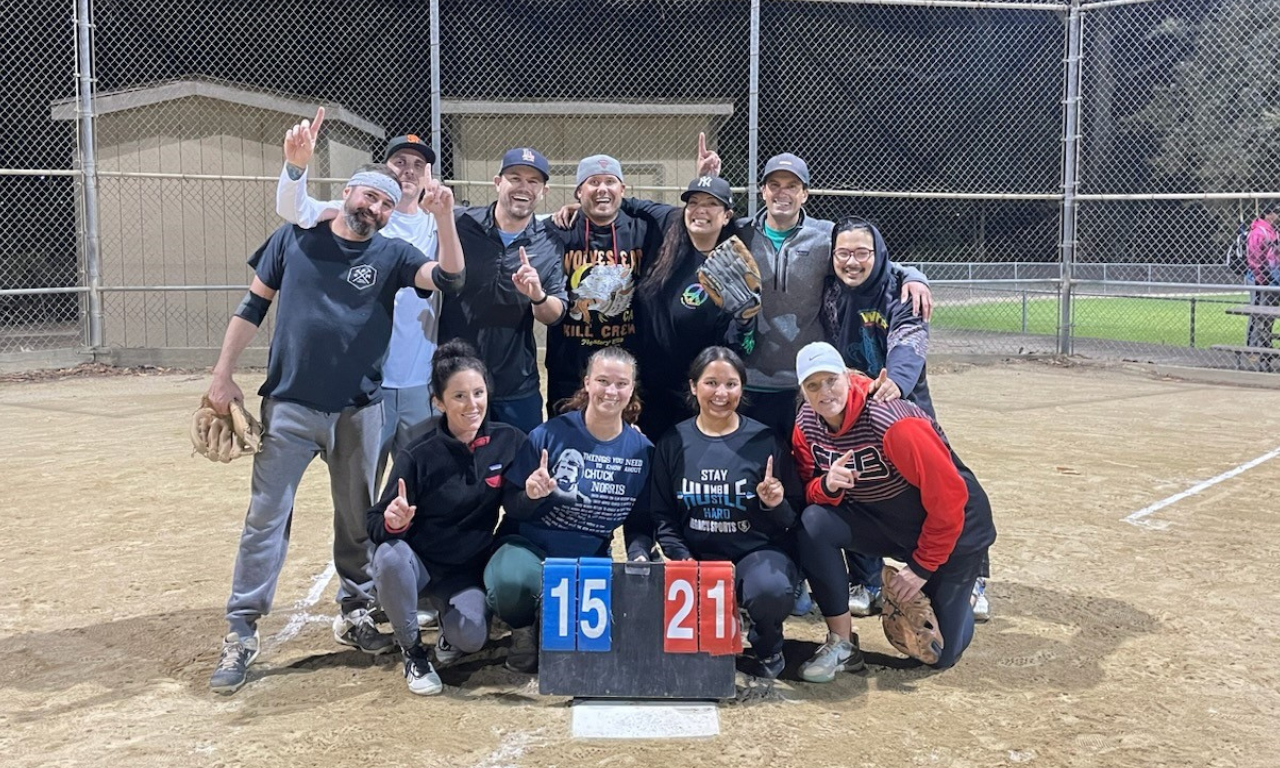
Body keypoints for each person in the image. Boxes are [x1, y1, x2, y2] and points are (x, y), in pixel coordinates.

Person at [206, 159, 467, 695]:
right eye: (369, 196)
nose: (374, 208)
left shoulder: (393, 253)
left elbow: (449, 277)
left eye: (386, 203)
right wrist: (222, 374)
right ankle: (241, 632)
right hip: (291, 406)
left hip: (358, 410)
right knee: (266, 518)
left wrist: (443, 220)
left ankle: (356, 611)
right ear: (347, 192)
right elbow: (253, 304)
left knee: (357, 519)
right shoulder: (294, 238)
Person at [733, 153, 933, 619]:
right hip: (757, 383)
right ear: (761, 190)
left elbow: (874, 261)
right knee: (771, 479)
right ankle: (786, 572)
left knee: (849, 477)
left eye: (791, 186)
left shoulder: (827, 236)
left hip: (816, 391)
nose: (781, 193)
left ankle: (882, 576)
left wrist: (915, 275)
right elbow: (691, 228)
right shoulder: (740, 233)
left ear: (805, 192)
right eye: (772, 185)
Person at [275, 108, 463, 482]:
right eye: (399, 162)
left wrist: (565, 213)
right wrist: (295, 167)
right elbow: (293, 208)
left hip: (417, 381)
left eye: (418, 165)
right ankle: (366, 544)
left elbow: (500, 228)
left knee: (420, 484)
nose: (408, 170)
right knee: (362, 490)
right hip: (366, 387)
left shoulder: (441, 222)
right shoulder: (356, 218)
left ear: (429, 175)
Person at [790, 342, 996, 680]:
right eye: (813, 385)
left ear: (847, 376)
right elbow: (806, 491)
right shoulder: (807, 423)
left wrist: (920, 568)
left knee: (939, 655)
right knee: (814, 522)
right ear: (802, 390)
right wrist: (826, 485)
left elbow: (949, 498)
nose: (824, 392)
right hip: (887, 520)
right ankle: (841, 641)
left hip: (956, 528)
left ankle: (959, 591)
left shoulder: (891, 420)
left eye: (831, 380)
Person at [366, 341, 526, 695]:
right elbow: (375, 523)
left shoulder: (509, 441)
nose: (472, 405)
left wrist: (532, 493)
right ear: (438, 402)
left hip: (465, 573)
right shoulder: (417, 452)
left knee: (470, 638)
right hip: (419, 567)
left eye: (478, 393)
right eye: (459, 397)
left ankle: (449, 626)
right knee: (389, 556)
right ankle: (413, 652)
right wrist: (395, 522)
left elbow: (517, 505)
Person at [488, 346, 655, 673]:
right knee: (511, 582)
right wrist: (532, 494)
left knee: (596, 649)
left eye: (621, 384)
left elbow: (640, 521)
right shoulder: (549, 434)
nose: (611, 391)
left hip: (588, 558)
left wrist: (638, 554)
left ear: (632, 389)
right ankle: (522, 628)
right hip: (530, 547)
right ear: (587, 383)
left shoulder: (641, 451)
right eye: (603, 381)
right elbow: (512, 506)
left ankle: (549, 614)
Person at [648, 346, 801, 679]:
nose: (721, 393)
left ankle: (768, 642)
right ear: (693, 386)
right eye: (711, 383)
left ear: (742, 389)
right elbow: (662, 515)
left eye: (731, 384)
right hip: (697, 556)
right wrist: (681, 558)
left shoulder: (765, 440)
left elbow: (792, 520)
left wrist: (774, 504)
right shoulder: (673, 441)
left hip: (754, 553)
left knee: (771, 590)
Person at [544, 138, 721, 418]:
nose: (602, 189)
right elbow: (521, 222)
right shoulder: (557, 230)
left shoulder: (645, 227)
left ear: (623, 189)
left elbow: (694, 217)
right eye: (593, 182)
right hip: (570, 366)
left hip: (631, 370)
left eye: (610, 182)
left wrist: (704, 181)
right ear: (578, 191)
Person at [442, 147, 569, 433]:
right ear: (498, 182)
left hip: (515, 384)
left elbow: (555, 314)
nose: (523, 187)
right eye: (515, 178)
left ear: (544, 191)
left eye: (533, 181)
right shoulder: (461, 224)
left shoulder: (550, 242)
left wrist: (537, 294)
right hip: (457, 377)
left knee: (519, 469)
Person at [633, 176, 759, 441]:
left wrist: (745, 322)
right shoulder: (662, 246)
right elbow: (627, 204)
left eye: (712, 203)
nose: (700, 209)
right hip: (646, 391)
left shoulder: (732, 268)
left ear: (726, 216)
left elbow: (742, 349)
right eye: (693, 202)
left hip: (694, 399)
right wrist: (579, 208)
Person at [1245, 203, 1280, 353]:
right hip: (1259, 279)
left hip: (1272, 278)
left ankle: (1264, 345)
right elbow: (1254, 258)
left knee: (1269, 315)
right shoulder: (1259, 232)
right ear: (1268, 214)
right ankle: (1253, 347)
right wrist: (1261, 279)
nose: (1278, 216)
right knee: (1257, 313)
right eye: (1276, 213)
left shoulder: (1273, 231)